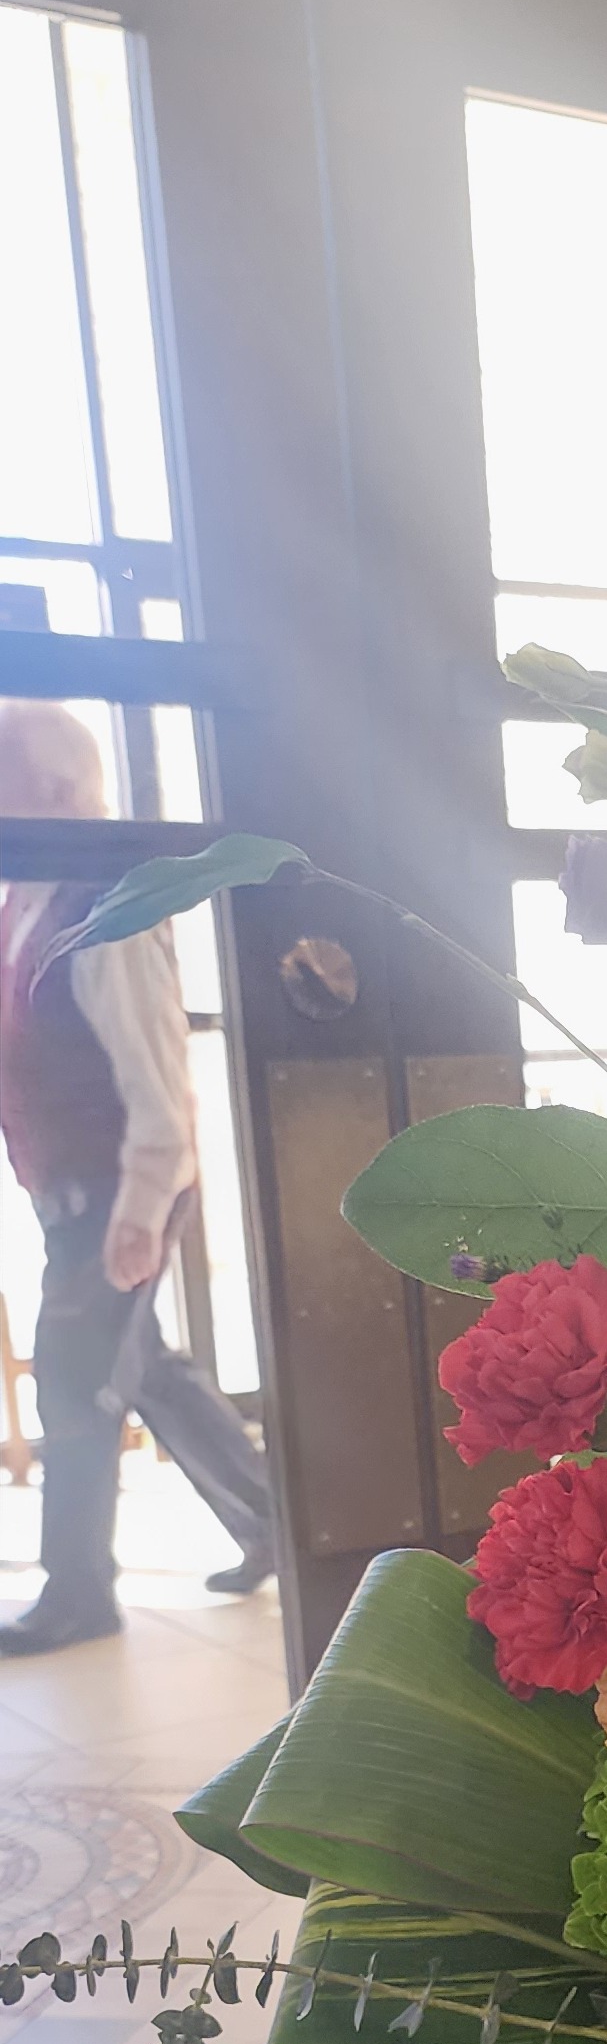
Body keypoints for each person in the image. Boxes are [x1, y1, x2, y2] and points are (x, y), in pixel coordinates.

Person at [0, 702, 274, 1652]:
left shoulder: (103, 907)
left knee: (74, 1382)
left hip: (117, 1186)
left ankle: (78, 1594)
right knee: (141, 1366)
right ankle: (270, 1521)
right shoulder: (27, 898)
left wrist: (141, 1208)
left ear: (48, 789)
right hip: (71, 1186)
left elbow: (155, 1073)